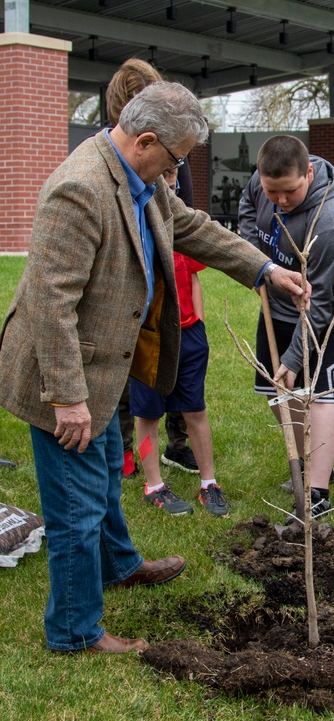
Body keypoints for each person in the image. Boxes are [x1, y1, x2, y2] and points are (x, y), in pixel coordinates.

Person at [0, 82, 308, 654]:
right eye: (176, 158)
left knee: (107, 477)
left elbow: (191, 226)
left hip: (113, 359)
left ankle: (119, 565)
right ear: (145, 141)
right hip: (67, 373)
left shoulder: (139, 179)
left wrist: (266, 270)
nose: (179, 170)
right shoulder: (80, 189)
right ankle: (74, 631)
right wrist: (67, 397)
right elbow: (49, 303)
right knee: (76, 508)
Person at [239, 135, 334, 519]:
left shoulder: (328, 220)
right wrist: (255, 259)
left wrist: (296, 357)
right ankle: (311, 463)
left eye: (290, 191)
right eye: (272, 191)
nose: (279, 200)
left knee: (321, 393)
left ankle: (317, 492)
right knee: (275, 387)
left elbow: (322, 302)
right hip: (280, 298)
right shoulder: (261, 182)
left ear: (309, 173)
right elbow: (249, 203)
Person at [104, 58, 197, 480]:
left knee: (168, 376)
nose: (171, 174)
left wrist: (263, 268)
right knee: (129, 388)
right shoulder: (90, 180)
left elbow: (188, 223)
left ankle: (175, 445)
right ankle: (125, 450)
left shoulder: (163, 171)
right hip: (114, 315)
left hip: (160, 299)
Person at [130, 165, 230, 518]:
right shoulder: (138, 224)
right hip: (149, 336)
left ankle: (209, 483)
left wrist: (198, 327)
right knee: (148, 412)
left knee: (195, 409)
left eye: (173, 173)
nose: (169, 180)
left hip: (189, 335)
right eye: (164, 172)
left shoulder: (180, 226)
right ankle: (154, 485)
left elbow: (194, 280)